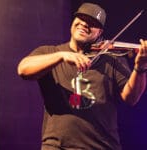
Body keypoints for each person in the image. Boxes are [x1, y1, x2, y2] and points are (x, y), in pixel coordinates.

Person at [17, 2, 147, 150]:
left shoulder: (112, 59)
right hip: (57, 146)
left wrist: (140, 67)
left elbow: (131, 98)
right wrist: (61, 56)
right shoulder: (50, 52)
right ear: (74, 21)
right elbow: (23, 69)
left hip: (102, 146)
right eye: (81, 18)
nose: (84, 24)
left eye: (92, 23)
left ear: (99, 33)